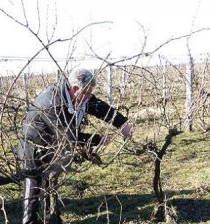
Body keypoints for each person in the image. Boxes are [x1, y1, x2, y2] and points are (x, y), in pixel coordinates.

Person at [16, 69, 132, 224]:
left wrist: (122, 123)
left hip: (53, 148)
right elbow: (67, 137)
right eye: (88, 93)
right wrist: (97, 139)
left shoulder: (79, 96)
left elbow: (98, 106)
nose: (89, 97)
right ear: (76, 89)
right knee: (33, 187)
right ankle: (28, 221)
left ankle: (52, 218)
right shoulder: (52, 102)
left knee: (52, 181)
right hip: (33, 148)